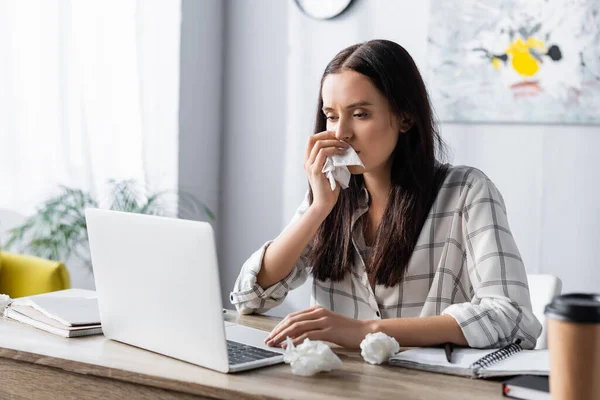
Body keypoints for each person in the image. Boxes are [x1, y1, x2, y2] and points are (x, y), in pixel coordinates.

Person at [230, 39, 542, 350]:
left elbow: (511, 317)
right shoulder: (330, 194)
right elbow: (249, 297)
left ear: (405, 118)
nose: (341, 134)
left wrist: (368, 329)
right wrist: (318, 208)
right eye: (332, 115)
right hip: (335, 382)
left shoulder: (467, 192)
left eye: (360, 114)